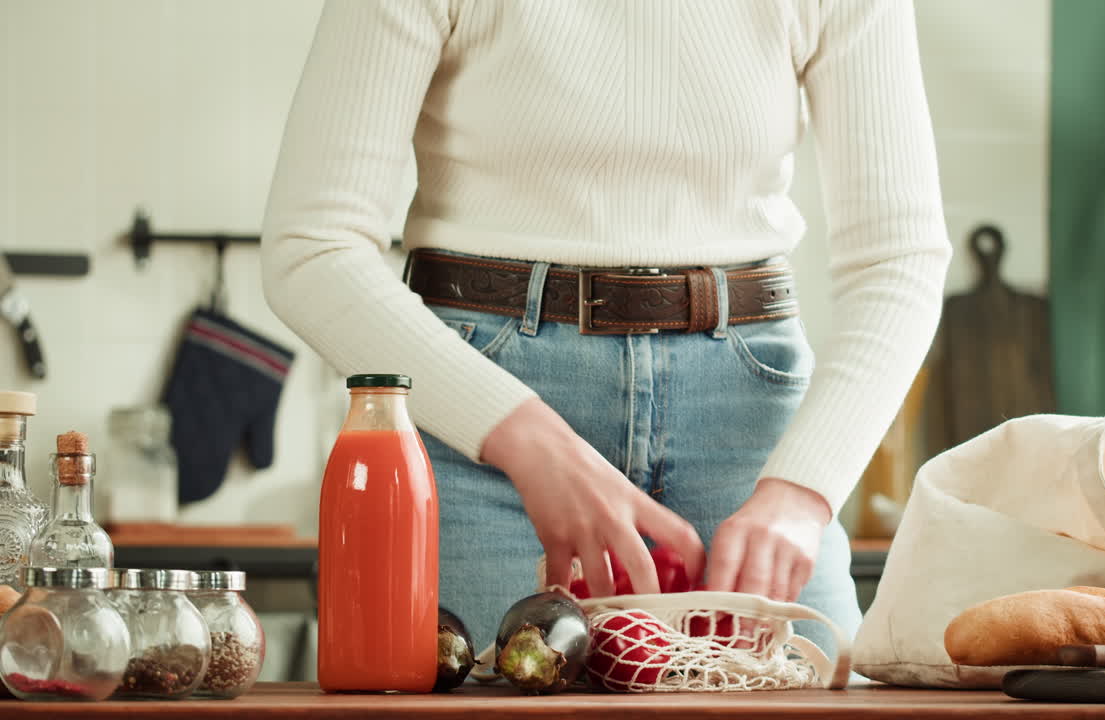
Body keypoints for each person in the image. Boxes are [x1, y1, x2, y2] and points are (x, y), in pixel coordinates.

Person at [262, 0, 950, 658]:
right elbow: (313, 249)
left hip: (752, 440)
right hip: (481, 433)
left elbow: (900, 260)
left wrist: (803, 493)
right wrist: (530, 444)